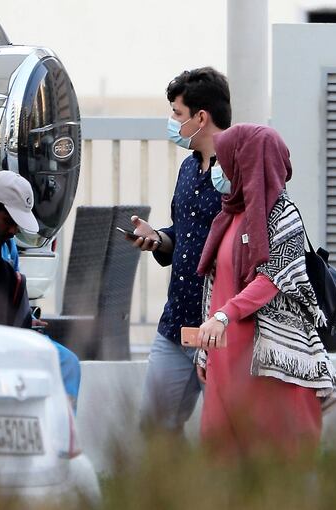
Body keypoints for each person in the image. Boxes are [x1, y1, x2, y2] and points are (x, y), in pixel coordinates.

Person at [195, 124, 336, 458]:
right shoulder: (228, 214)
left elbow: (272, 278)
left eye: (226, 160)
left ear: (245, 161)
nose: (221, 169)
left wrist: (223, 315)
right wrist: (205, 350)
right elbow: (215, 285)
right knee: (221, 458)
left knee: (274, 458)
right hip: (225, 352)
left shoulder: (282, 215)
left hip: (269, 357)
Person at [128, 67, 231, 435]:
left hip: (220, 331)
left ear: (201, 117)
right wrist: (158, 237)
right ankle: (167, 494)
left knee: (227, 439)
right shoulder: (188, 168)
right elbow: (185, 235)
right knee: (153, 428)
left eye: (177, 113)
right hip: (176, 325)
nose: (172, 122)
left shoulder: (238, 172)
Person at [0, 170, 82, 407]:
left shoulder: (9, 246)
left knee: (68, 362)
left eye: (16, 224)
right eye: (9, 221)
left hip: (16, 333)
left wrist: (25, 316)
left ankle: (61, 433)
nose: (13, 231)